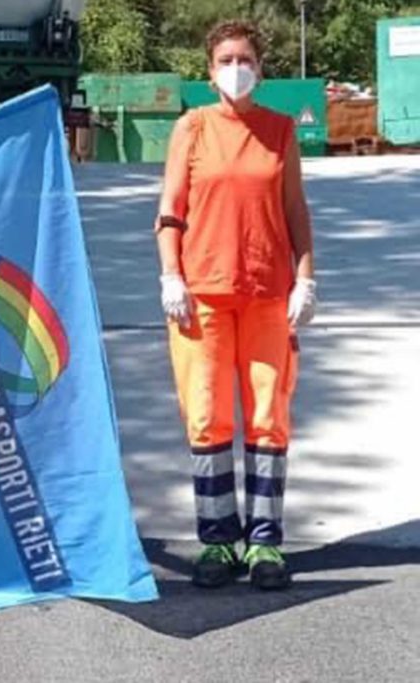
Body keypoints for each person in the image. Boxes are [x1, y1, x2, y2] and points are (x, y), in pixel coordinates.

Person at [155, 20, 317, 590]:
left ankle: (265, 543)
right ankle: (218, 539)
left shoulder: (279, 130)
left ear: (260, 69)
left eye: (245, 59)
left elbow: (295, 210)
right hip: (201, 295)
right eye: (225, 60)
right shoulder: (192, 128)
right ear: (209, 71)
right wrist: (170, 276)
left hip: (267, 293)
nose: (236, 69)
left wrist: (305, 279)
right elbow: (170, 210)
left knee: (269, 415)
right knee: (207, 414)